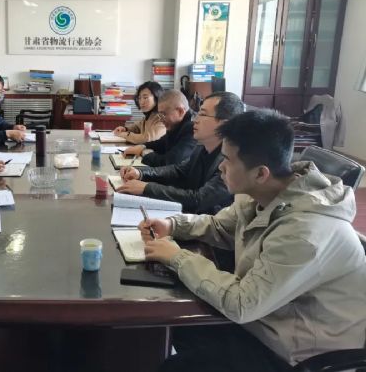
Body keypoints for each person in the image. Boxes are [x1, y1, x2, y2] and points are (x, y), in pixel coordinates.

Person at [139, 109, 366, 372]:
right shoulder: (265, 193)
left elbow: (241, 304)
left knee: (176, 365)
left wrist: (176, 257)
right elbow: (220, 226)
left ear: (260, 173)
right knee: (166, 328)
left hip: (298, 354)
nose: (220, 166)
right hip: (267, 319)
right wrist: (172, 225)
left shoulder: (305, 232)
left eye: (227, 159)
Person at [118, 91, 244, 214]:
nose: (195, 119)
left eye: (203, 114)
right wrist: (141, 173)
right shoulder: (202, 147)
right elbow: (179, 171)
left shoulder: (232, 161)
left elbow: (199, 200)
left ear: (224, 124)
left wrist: (147, 188)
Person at [121, 89, 196, 167]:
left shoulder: (193, 128)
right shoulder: (177, 124)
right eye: (160, 115)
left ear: (180, 111)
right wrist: (143, 146)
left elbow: (170, 161)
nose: (160, 119)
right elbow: (162, 142)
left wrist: (144, 155)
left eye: (163, 114)